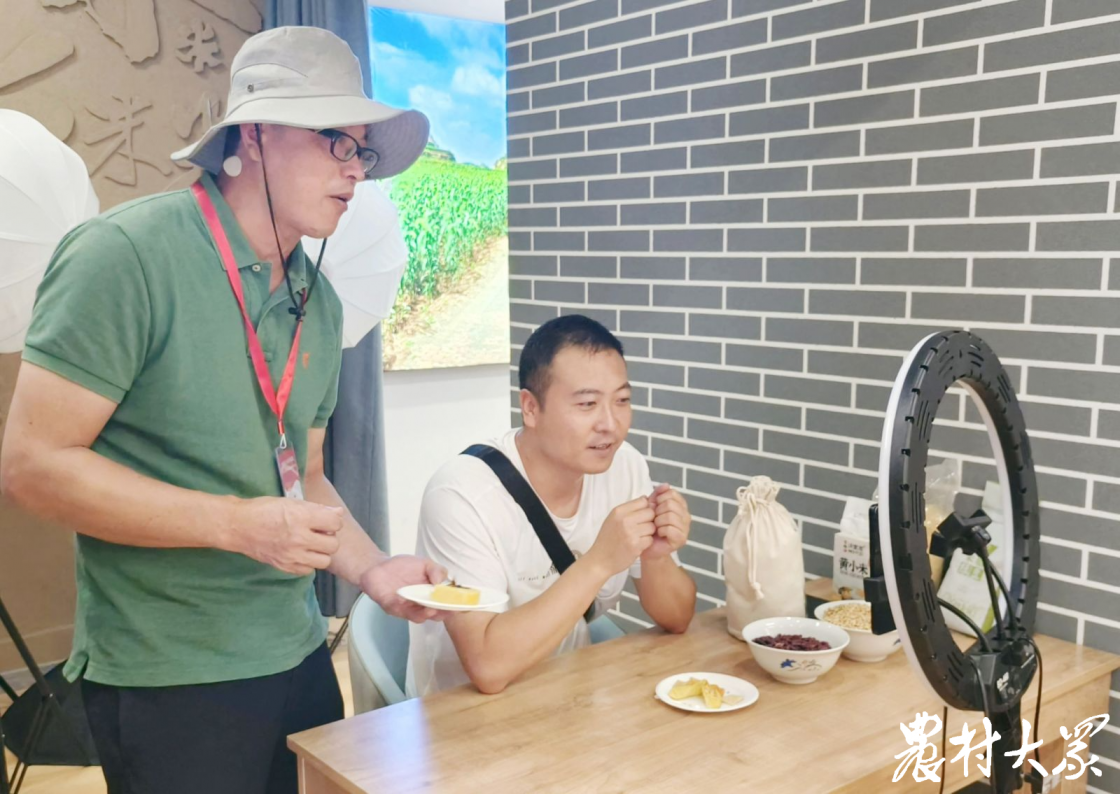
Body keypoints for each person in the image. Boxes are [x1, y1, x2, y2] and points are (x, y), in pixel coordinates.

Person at [0, 26, 447, 794]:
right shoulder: (125, 255)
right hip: (167, 673)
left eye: (363, 152)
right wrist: (239, 524)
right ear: (257, 133)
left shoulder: (319, 300)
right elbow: (32, 467)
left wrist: (374, 570)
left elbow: (306, 474)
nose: (356, 169)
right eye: (336, 141)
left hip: (299, 653)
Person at [407, 315, 697, 696]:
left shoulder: (624, 466)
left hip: (569, 695)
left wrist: (656, 556)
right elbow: (487, 667)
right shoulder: (461, 495)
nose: (611, 424)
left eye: (622, 401)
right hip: (463, 713)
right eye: (588, 404)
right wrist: (599, 561)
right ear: (530, 408)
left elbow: (677, 618)